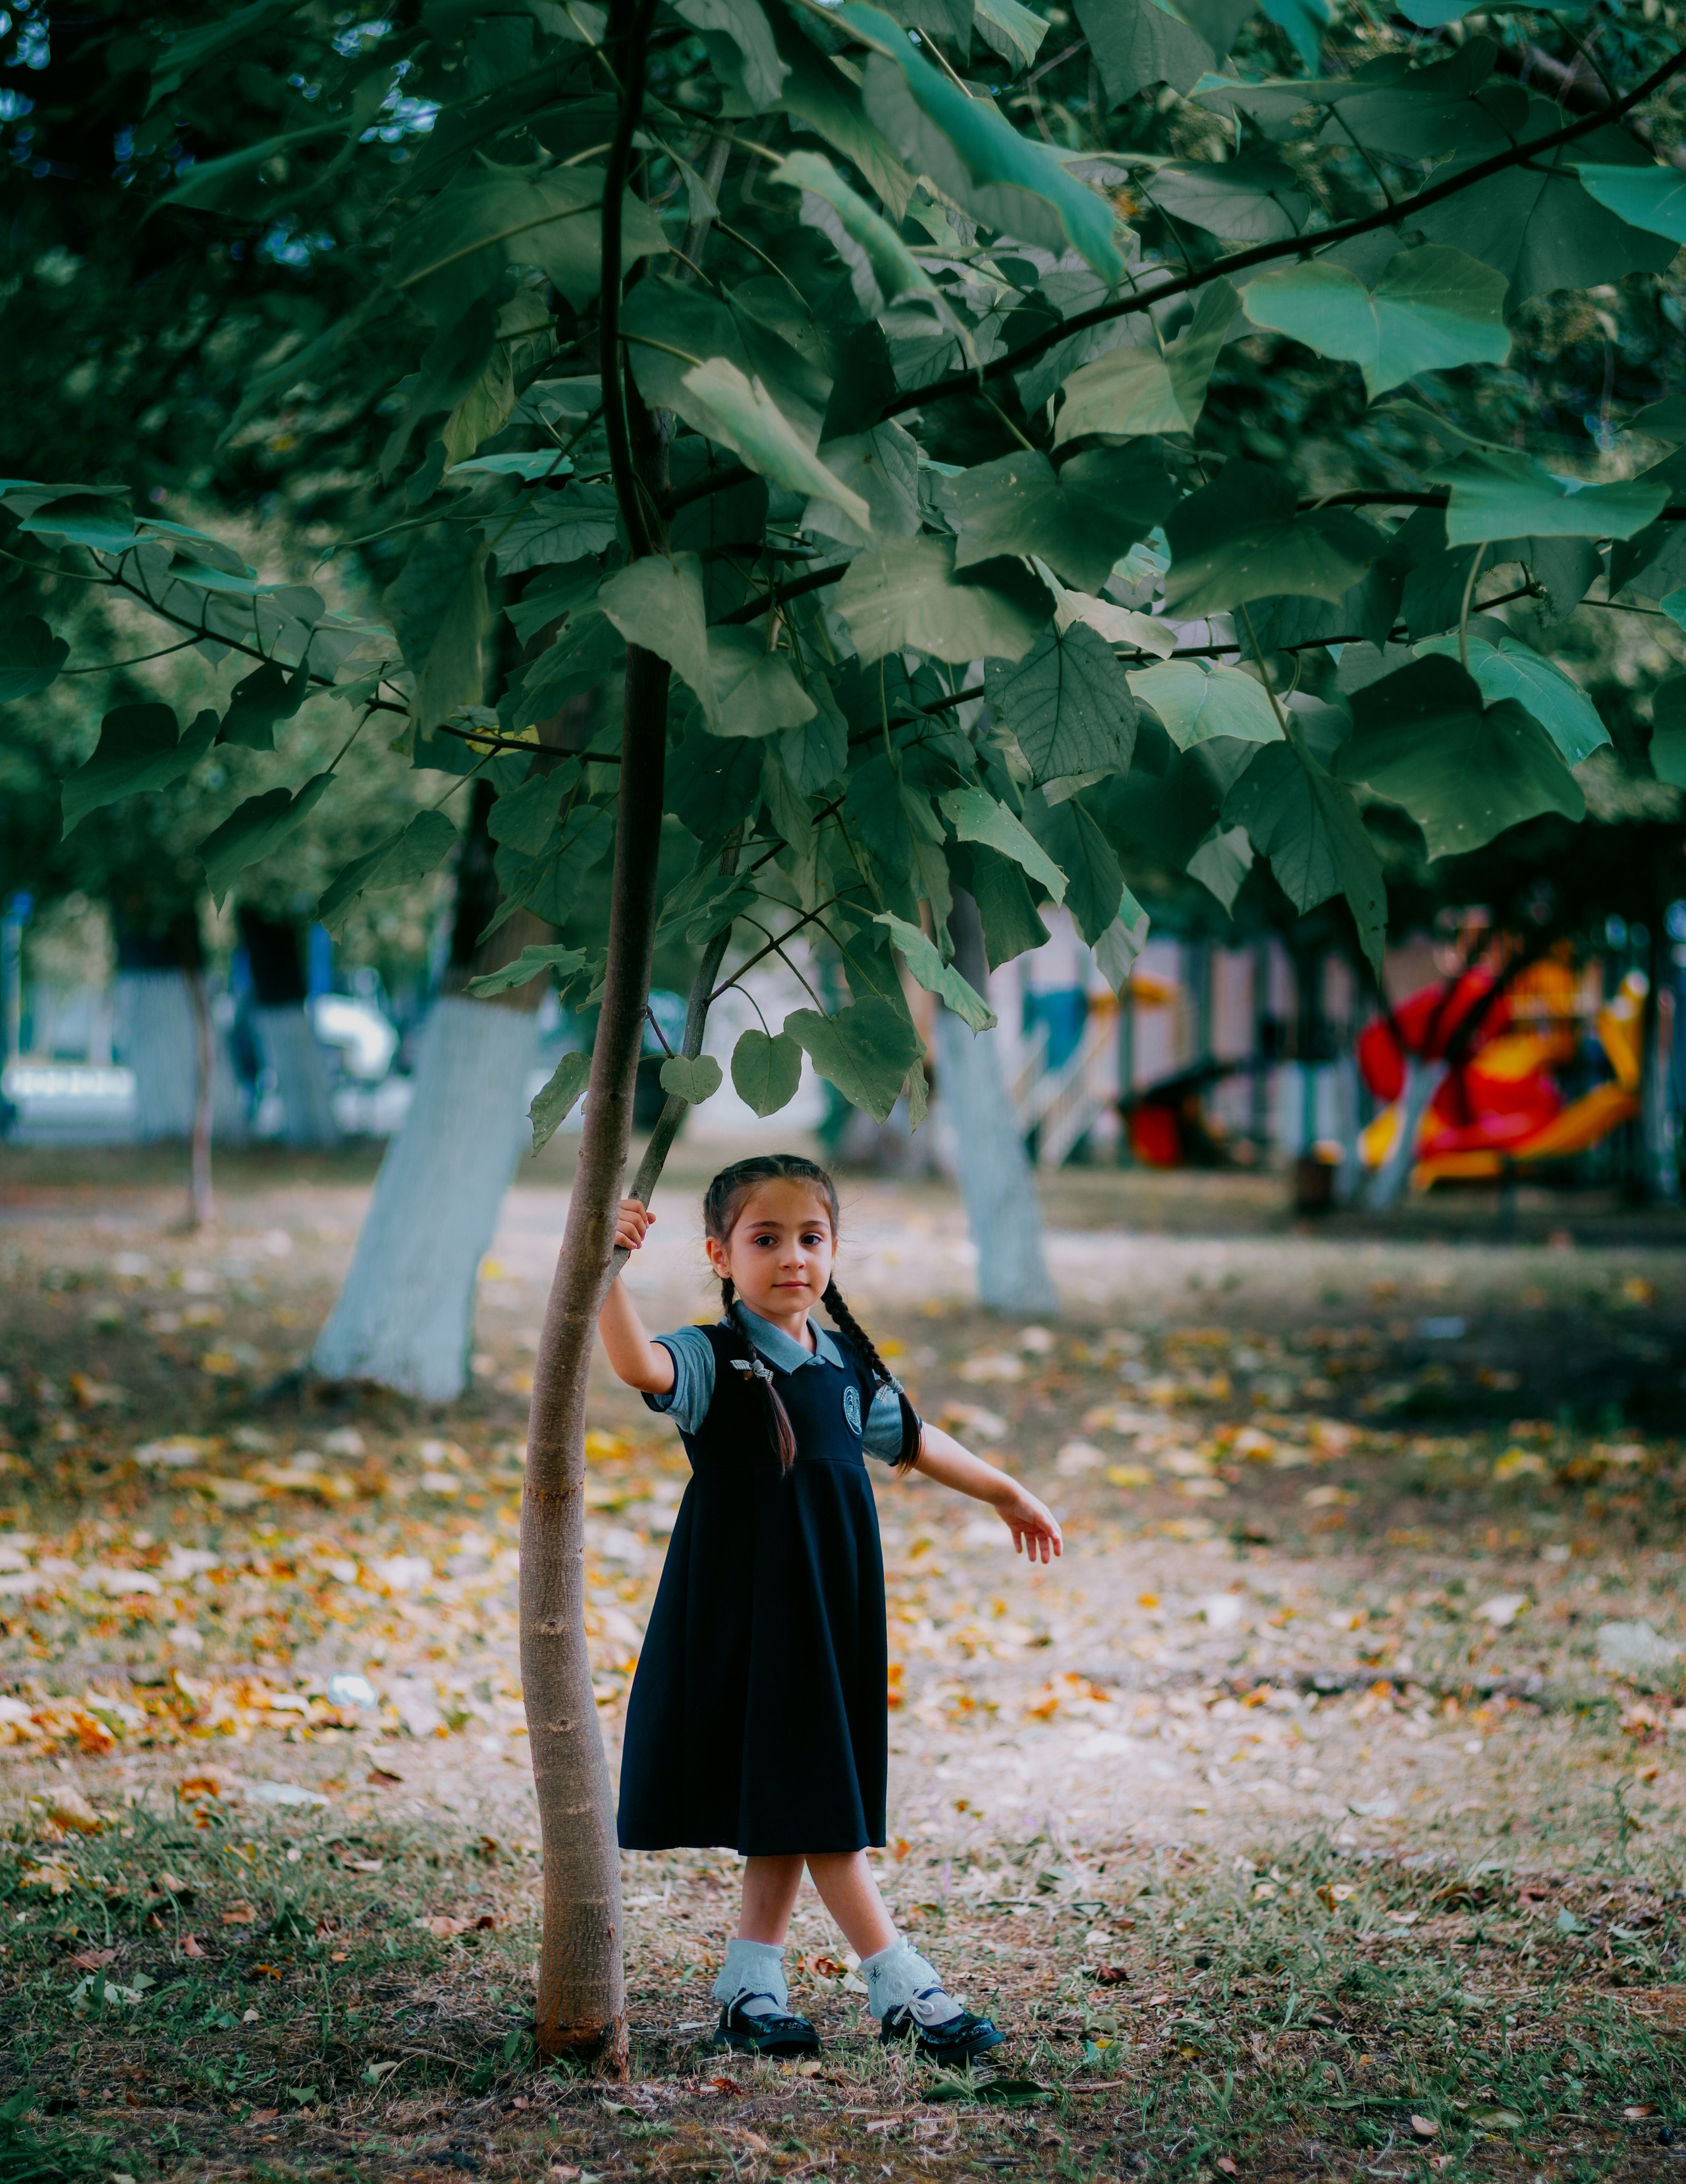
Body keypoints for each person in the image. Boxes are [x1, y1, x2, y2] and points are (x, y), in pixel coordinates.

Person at [597, 1153, 1062, 2065]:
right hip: (752, 1611)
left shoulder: (845, 1362)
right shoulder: (711, 1356)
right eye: (764, 1240)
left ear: (835, 1249)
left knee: (793, 1787)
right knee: (817, 1798)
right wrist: (604, 1268)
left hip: (832, 1604)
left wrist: (1007, 1491)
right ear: (721, 1255)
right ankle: (903, 1988)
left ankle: (749, 1989)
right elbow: (632, 1364)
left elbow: (918, 1441)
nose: (792, 1258)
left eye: (811, 1238)